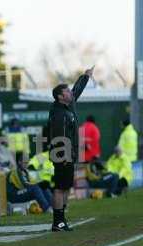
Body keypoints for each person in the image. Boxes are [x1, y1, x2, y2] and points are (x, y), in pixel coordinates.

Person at [48, 66, 94, 231]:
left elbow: (77, 90)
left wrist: (85, 77)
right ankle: (57, 221)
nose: (70, 93)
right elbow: (59, 137)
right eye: (67, 91)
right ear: (61, 97)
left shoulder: (68, 107)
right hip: (62, 155)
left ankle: (61, 219)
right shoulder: (59, 114)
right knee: (60, 188)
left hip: (69, 155)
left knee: (66, 187)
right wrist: (66, 156)